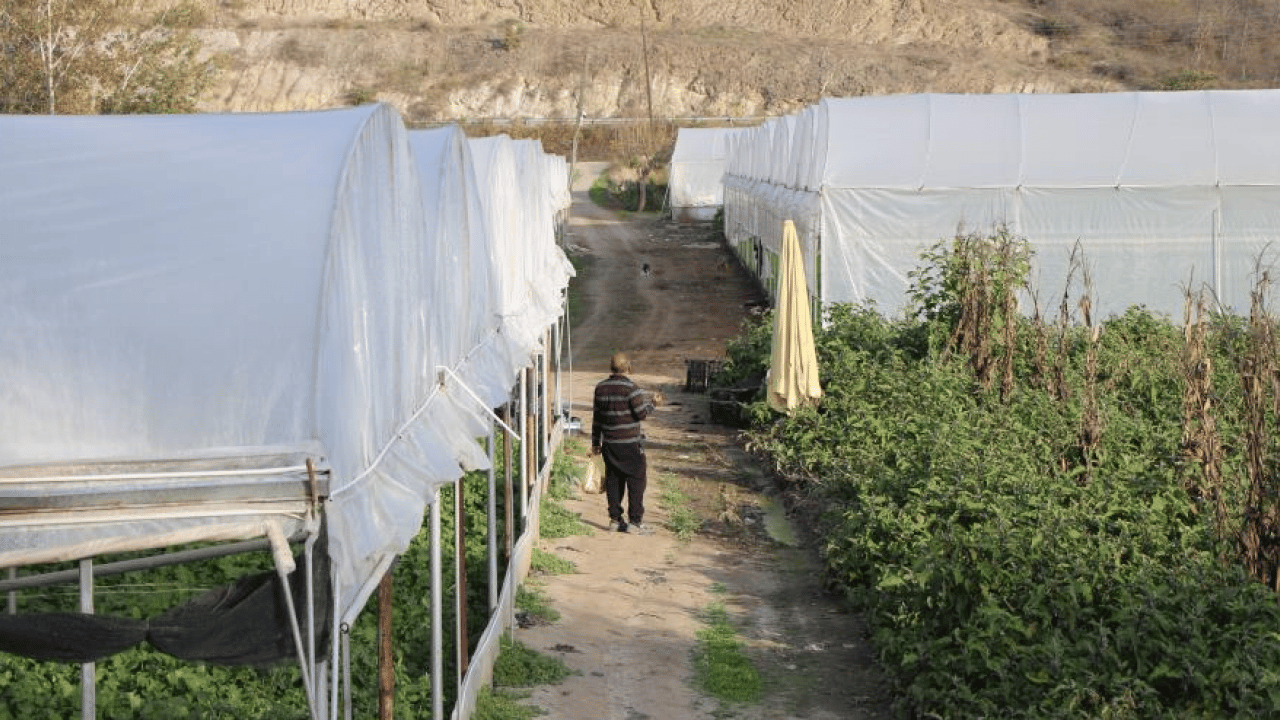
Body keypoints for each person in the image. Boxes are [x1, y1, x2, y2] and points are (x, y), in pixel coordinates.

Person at [591, 351, 658, 534]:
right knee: (637, 481)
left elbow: (597, 418)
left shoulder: (600, 388)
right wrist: (653, 403)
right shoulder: (632, 389)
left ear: (610, 367)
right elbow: (641, 414)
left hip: (610, 444)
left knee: (613, 481)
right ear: (628, 366)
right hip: (630, 444)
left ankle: (614, 520)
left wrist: (595, 443)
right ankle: (635, 522)